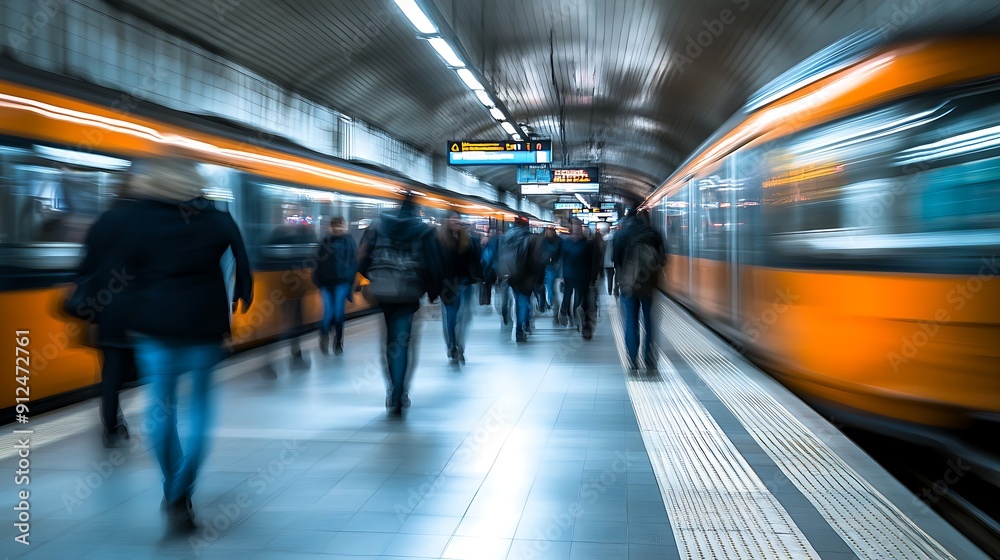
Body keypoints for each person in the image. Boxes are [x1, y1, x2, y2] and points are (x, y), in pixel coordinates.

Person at [116, 156, 253, 532]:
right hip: (203, 328)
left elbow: (120, 270)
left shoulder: (138, 218)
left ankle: (173, 490)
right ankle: (180, 489)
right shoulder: (215, 217)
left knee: (160, 412)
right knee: (202, 413)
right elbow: (242, 257)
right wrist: (243, 292)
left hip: (154, 328)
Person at [357, 195, 442, 414]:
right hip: (409, 293)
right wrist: (433, 292)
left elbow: (362, 257)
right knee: (403, 342)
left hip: (383, 292)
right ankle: (399, 393)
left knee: (389, 342)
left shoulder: (379, 225)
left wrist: (370, 279)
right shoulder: (423, 231)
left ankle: (392, 391)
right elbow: (434, 264)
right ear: (416, 211)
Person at [76, 177, 140, 448]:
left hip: (106, 307)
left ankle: (111, 426)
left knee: (111, 368)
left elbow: (85, 266)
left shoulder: (102, 221)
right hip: (143, 308)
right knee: (144, 364)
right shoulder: (148, 223)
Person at [613, 209, 666, 371]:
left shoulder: (622, 234)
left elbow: (615, 260)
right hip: (649, 285)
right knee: (649, 321)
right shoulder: (654, 233)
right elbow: (663, 259)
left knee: (631, 320)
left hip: (628, 285)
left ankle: (633, 359)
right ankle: (649, 359)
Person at [437, 211, 480, 364]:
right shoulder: (440, 240)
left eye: (457, 219)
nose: (455, 221)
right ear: (447, 221)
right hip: (448, 285)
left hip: (465, 282)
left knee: (464, 317)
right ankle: (451, 345)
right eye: (452, 218)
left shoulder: (467, 239)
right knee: (451, 316)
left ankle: (460, 345)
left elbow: (475, 259)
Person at [314, 216, 357, 355]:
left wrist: (350, 282)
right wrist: (318, 281)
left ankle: (338, 342)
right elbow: (317, 263)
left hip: (342, 283)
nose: (337, 228)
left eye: (339, 225)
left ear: (344, 226)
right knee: (328, 312)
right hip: (326, 284)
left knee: (338, 313)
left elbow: (353, 263)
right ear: (330, 227)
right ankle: (324, 335)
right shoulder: (324, 242)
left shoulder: (349, 241)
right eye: (334, 226)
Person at [499, 216, 543, 342]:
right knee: (524, 301)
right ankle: (520, 328)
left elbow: (501, 256)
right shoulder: (532, 238)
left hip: (511, 275)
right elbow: (537, 260)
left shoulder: (507, 237)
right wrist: (538, 277)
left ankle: (520, 325)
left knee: (518, 300)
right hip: (527, 276)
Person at [560, 218, 601, 339]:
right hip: (569, 276)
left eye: (578, 227)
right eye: (574, 227)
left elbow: (593, 262)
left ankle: (585, 326)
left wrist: (593, 278)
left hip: (583, 277)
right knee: (568, 297)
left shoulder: (587, 244)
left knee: (584, 303)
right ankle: (566, 313)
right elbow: (563, 259)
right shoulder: (566, 243)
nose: (576, 229)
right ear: (571, 228)